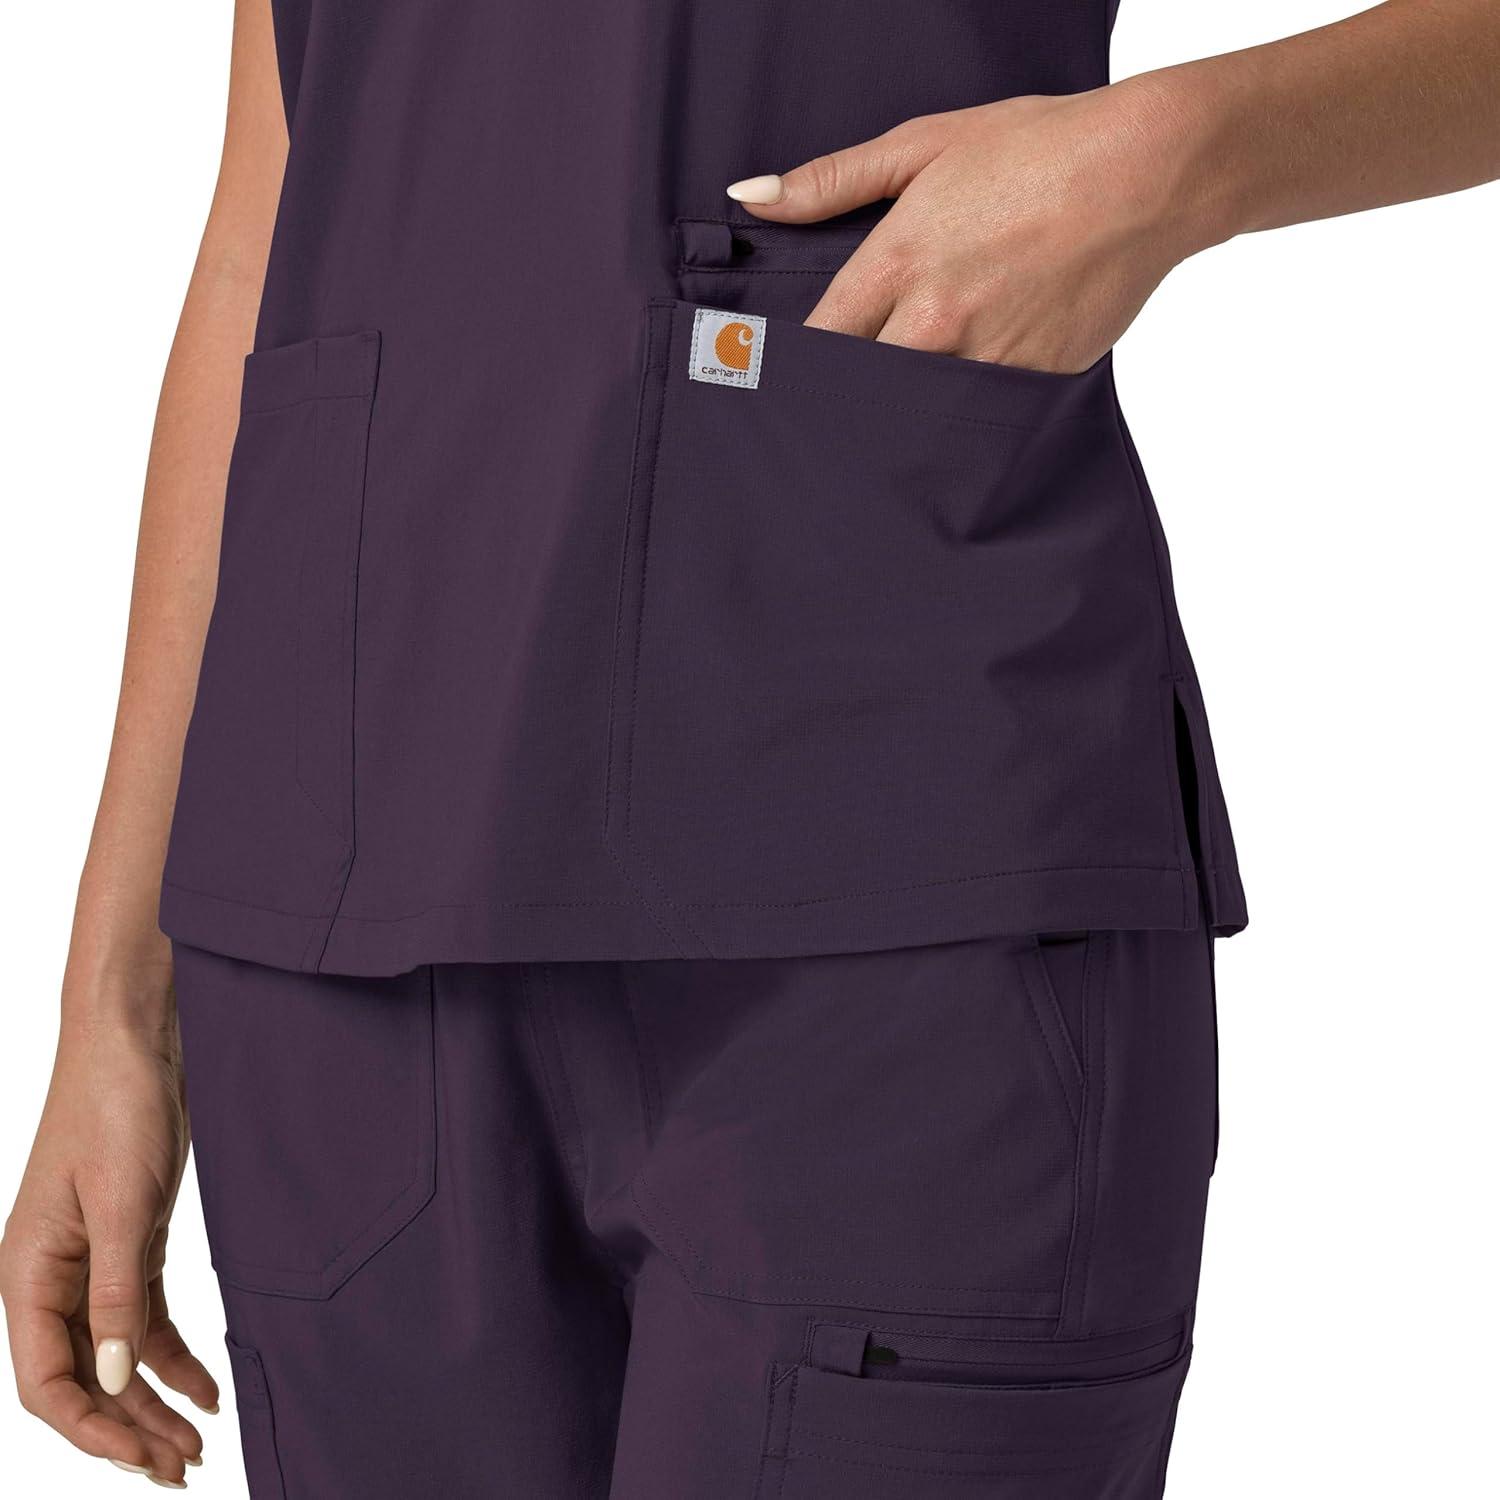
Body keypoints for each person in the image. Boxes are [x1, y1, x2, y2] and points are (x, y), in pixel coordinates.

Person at [2, 0, 1495, 1493]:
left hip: (895, 878)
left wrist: (1161, 156)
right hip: (337, 957)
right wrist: (116, 1007)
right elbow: (273, 231)